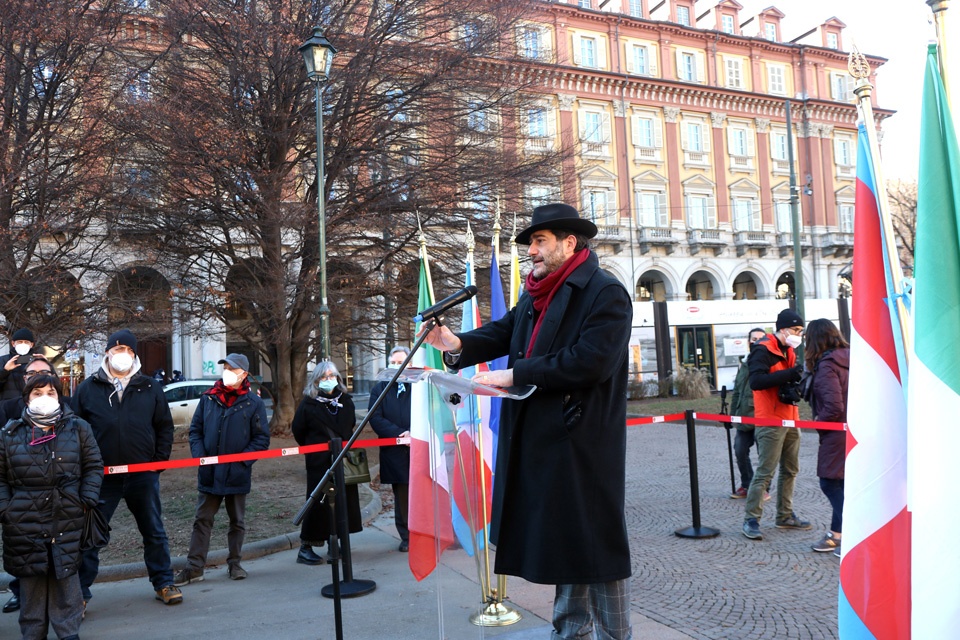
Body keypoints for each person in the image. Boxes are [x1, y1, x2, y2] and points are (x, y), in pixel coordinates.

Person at [421, 202, 634, 640]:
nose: (531, 251)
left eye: (539, 241)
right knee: (565, 545)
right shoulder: (537, 292)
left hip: (583, 445)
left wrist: (516, 374)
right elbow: (505, 331)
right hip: (542, 439)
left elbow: (590, 361)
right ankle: (570, 632)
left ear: (569, 243)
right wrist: (457, 343)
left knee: (596, 547)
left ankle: (616, 635)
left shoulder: (605, 293)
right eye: (530, 243)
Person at [73, 329, 183, 606]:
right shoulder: (88, 388)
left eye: (128, 350)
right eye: (117, 349)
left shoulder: (150, 387)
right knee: (91, 535)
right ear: (107, 352)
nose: (122, 355)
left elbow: (164, 427)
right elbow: (74, 431)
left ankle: (164, 582)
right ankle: (79, 594)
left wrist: (158, 462)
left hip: (142, 476)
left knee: (154, 531)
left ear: (134, 355)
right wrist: (85, 468)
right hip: (101, 478)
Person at [0, 373, 103, 640]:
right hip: (23, 521)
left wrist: (86, 499)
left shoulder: (78, 428)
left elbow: (93, 465)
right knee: (31, 581)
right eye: (37, 393)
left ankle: (69, 633)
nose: (44, 397)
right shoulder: (9, 433)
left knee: (66, 577)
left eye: (50, 392)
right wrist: (6, 509)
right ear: (26, 398)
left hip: (67, 515)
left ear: (59, 396)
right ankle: (33, 634)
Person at [173, 354, 269, 586]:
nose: (227, 372)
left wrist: (241, 462)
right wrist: (201, 458)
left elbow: (261, 439)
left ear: (244, 374)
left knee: (237, 521)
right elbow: (196, 431)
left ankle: (235, 563)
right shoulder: (209, 398)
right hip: (209, 472)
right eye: (225, 368)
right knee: (202, 520)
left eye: (232, 369)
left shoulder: (253, 403)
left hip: (237, 474)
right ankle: (194, 568)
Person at [742, 308, 811, 540]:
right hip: (770, 419)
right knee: (765, 472)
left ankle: (785, 515)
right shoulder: (762, 349)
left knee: (790, 469)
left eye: (800, 330)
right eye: (795, 329)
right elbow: (756, 382)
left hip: (790, 416)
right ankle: (751, 519)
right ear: (783, 329)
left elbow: (786, 378)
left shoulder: (788, 349)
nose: (798, 334)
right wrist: (791, 373)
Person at [1, 356, 59, 615]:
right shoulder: (8, 409)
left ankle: (63, 606)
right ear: (23, 380)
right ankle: (21, 595)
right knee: (25, 550)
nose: (38, 378)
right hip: (22, 497)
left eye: (44, 373)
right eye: (31, 374)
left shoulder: (67, 411)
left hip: (58, 496)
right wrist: (6, 506)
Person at [291, 362, 362, 565]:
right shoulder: (309, 404)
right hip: (320, 462)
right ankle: (306, 546)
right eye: (323, 376)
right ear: (316, 380)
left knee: (342, 502)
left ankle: (335, 543)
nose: (328, 379)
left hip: (343, 460)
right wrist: (315, 449)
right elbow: (298, 430)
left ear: (338, 378)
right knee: (318, 502)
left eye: (332, 375)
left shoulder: (346, 401)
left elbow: (350, 426)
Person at [803, 319, 849, 556]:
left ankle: (852, 535)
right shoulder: (851, 358)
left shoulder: (827, 365)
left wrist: (818, 422)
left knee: (829, 483)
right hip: (854, 430)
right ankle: (836, 534)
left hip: (836, 433)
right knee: (843, 484)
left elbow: (833, 406)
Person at [367, 346, 411, 552]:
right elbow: (375, 418)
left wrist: (415, 433)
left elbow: (430, 412)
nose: (396, 366)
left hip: (420, 449)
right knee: (402, 496)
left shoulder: (420, 387)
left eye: (401, 362)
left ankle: (427, 533)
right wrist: (401, 434)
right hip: (395, 452)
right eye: (393, 362)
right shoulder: (380, 389)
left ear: (410, 364)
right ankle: (407, 536)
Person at [729, 328, 770, 501]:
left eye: (760, 339)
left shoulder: (769, 361)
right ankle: (747, 484)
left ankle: (763, 488)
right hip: (744, 417)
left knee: (765, 456)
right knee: (739, 450)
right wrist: (731, 415)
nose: (756, 342)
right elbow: (737, 391)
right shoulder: (744, 363)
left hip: (762, 418)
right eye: (753, 339)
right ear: (748, 342)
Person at [0, 328, 40, 401]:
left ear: (31, 344)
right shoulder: (3, 360)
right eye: (20, 342)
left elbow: (52, 384)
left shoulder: (37, 361)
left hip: (32, 403)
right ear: (13, 344)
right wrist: (5, 371)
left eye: (26, 342)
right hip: (8, 404)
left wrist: (47, 367)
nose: (23, 344)